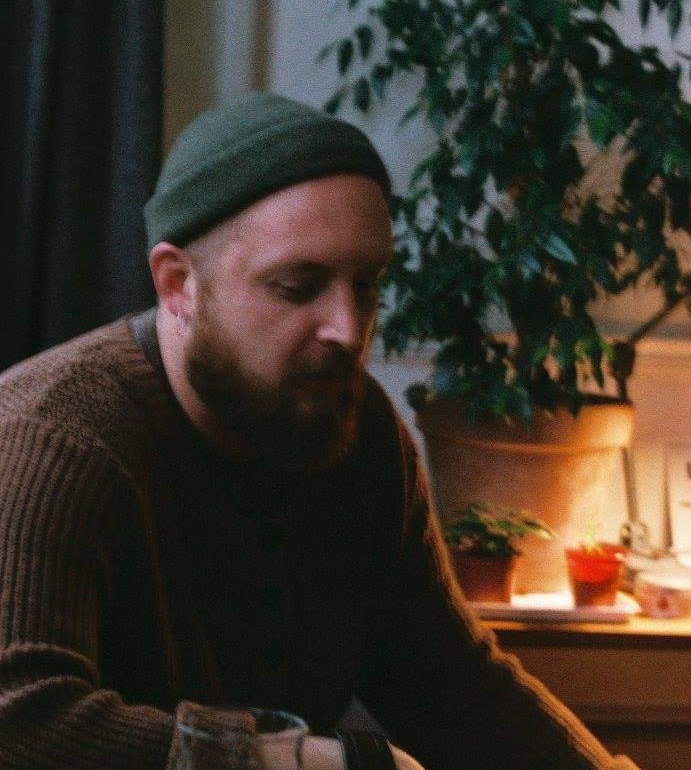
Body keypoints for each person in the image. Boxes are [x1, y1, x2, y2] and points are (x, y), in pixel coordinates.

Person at [0, 91, 638, 769]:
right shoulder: (53, 439)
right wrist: (315, 761)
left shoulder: (360, 432)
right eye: (298, 287)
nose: (348, 329)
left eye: (367, 285)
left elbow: (455, 687)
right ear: (177, 284)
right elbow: (19, 720)